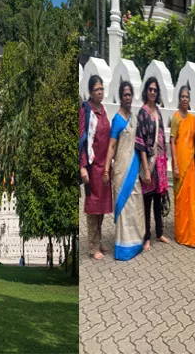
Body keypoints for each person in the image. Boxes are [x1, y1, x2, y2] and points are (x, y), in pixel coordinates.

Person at [103, 81, 145, 260]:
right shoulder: (118, 120)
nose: (128, 98)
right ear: (120, 97)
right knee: (123, 208)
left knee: (135, 206)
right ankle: (123, 248)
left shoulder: (134, 118)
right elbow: (112, 146)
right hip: (121, 170)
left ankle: (136, 243)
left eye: (130, 95)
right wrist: (106, 170)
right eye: (125, 95)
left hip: (134, 170)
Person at [79, 75, 112, 260]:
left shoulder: (103, 110)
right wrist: (82, 167)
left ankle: (98, 241)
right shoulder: (87, 110)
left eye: (102, 89)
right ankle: (92, 247)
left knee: (101, 208)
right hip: (91, 167)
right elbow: (82, 139)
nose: (100, 92)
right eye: (97, 89)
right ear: (91, 92)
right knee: (92, 209)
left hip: (103, 167)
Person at [136, 77, 171, 251]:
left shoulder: (157, 111)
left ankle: (159, 233)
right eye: (150, 89)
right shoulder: (142, 113)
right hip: (148, 164)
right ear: (146, 91)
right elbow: (141, 143)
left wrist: (163, 164)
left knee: (158, 199)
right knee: (147, 201)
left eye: (155, 90)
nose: (152, 92)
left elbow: (162, 137)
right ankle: (146, 237)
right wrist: (147, 170)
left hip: (159, 164)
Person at [169, 85, 195, 247]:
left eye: (187, 97)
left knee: (191, 199)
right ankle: (181, 234)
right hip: (180, 164)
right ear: (179, 99)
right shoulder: (176, 118)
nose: (184, 99)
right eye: (182, 97)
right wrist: (174, 165)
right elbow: (172, 142)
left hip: (191, 164)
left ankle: (191, 231)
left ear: (189, 99)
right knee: (181, 200)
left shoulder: (193, 119)